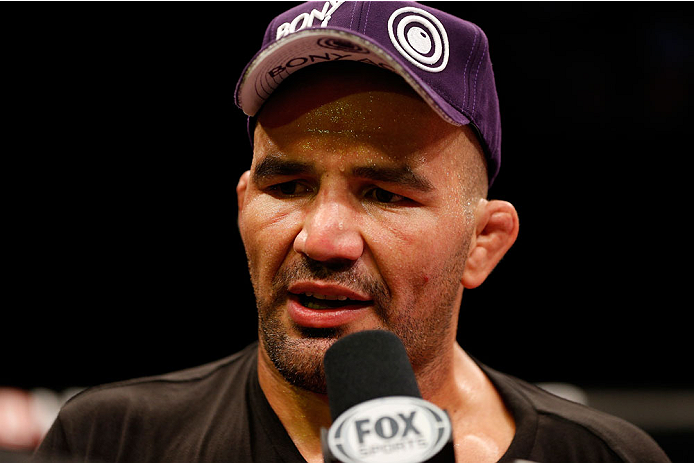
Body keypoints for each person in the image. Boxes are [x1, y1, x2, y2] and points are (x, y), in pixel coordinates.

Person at [35, 2, 670, 462]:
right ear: (242, 206)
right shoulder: (111, 441)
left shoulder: (604, 457)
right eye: (288, 187)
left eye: (384, 195)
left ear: (482, 244)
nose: (322, 239)